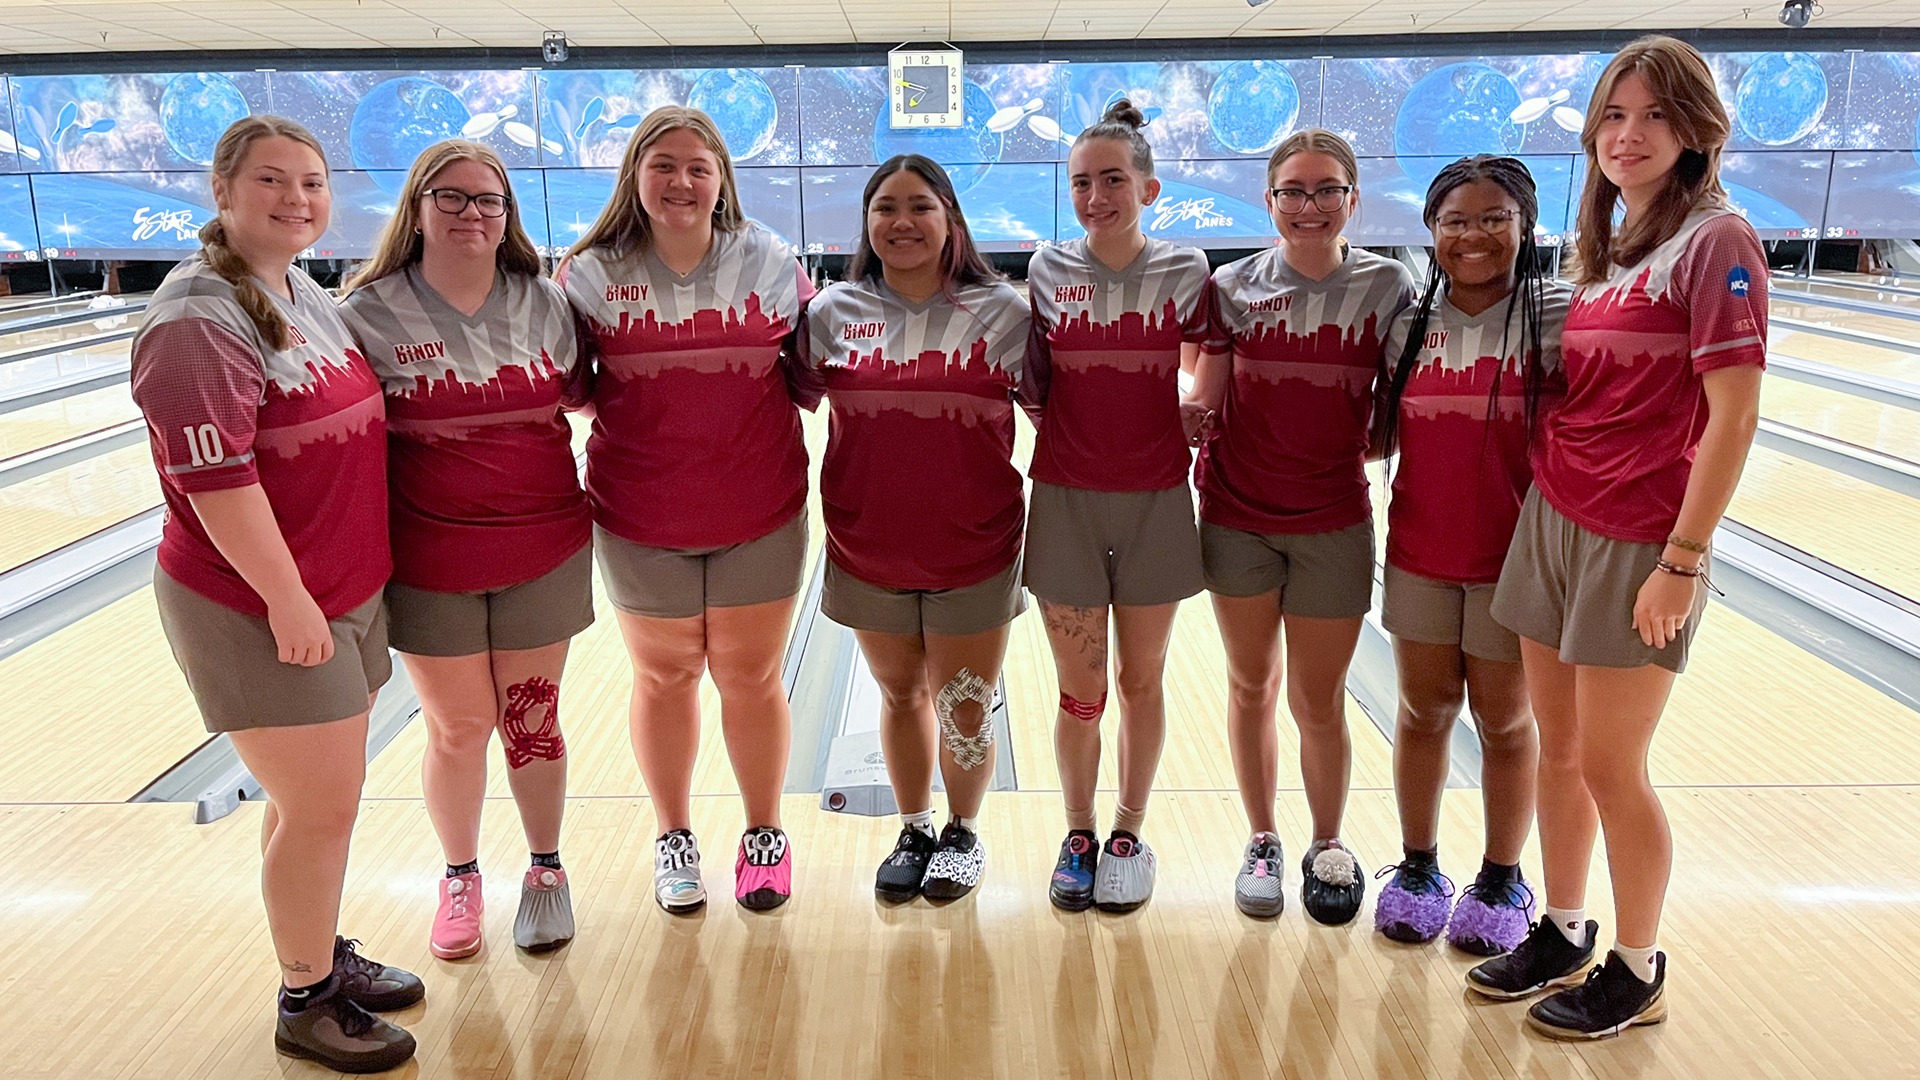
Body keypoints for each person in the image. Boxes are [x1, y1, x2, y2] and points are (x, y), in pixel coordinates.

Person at [1466, 36, 1767, 1041]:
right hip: (1556, 519)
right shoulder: (1607, 246)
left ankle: (1637, 966)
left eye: (1652, 115)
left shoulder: (1719, 241)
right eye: (1612, 115)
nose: (1627, 135)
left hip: (1642, 537)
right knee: (1560, 751)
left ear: (1696, 131)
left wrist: (1682, 561)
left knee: (1611, 766)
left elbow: (1733, 417)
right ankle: (1561, 925)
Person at [129, 115, 420, 1073]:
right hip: (261, 604)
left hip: (343, 590)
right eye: (271, 181)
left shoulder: (297, 291)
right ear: (221, 192)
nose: (297, 199)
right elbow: (218, 483)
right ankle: (307, 999)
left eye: (312, 182)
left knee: (308, 804)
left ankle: (316, 949)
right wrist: (290, 605)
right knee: (325, 808)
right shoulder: (194, 318)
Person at [339, 139, 590, 959]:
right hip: (430, 557)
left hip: (541, 542)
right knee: (458, 727)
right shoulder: (365, 314)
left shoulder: (546, 302)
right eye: (452, 197)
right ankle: (460, 876)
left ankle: (546, 870)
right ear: (416, 208)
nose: (472, 213)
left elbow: (588, 396)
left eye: (489, 200)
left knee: (531, 720)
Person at [558, 106, 812, 913]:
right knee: (665, 675)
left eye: (699, 166)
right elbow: (573, 389)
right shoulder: (589, 273)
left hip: (760, 507)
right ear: (635, 175)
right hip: (640, 513)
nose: (682, 181)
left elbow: (805, 377)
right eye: (663, 164)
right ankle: (673, 834)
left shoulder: (769, 258)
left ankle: (763, 833)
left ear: (722, 180)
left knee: (750, 674)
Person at [1184, 128, 1416, 924]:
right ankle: (1262, 838)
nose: (1309, 207)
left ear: (1354, 199)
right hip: (1237, 516)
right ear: (1269, 198)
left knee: (1319, 700)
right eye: (1293, 191)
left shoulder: (1388, 289)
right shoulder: (1231, 285)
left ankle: (1327, 843)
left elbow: (1394, 415)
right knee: (1252, 684)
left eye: (1327, 191)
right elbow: (1207, 398)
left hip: (1333, 521)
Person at [792, 154, 1031, 903]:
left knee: (963, 699)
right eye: (885, 208)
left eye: (920, 206)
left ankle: (962, 830)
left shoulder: (1005, 313)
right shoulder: (831, 314)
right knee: (899, 696)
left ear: (950, 220)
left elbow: (1059, 418)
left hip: (977, 541)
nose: (902, 222)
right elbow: (778, 404)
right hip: (868, 542)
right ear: (866, 224)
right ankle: (915, 824)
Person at [1369, 155, 1568, 953]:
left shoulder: (1559, 314)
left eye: (1494, 219)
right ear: (1431, 232)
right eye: (1455, 221)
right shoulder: (1407, 322)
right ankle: (1418, 867)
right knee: (1422, 711)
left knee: (1505, 721)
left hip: (1515, 563)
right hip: (1419, 549)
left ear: (1525, 227)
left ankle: (1501, 876)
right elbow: (1373, 430)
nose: (1474, 235)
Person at [1024, 100, 1213, 914]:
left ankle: (1129, 829)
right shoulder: (1044, 268)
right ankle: (1078, 832)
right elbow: (1035, 384)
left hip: (1157, 503)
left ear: (1149, 186)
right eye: (1081, 183)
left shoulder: (1187, 269)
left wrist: (1196, 405)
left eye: (1112, 180)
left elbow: (1213, 363)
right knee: (1081, 690)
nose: (1095, 196)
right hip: (1065, 500)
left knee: (1142, 680)